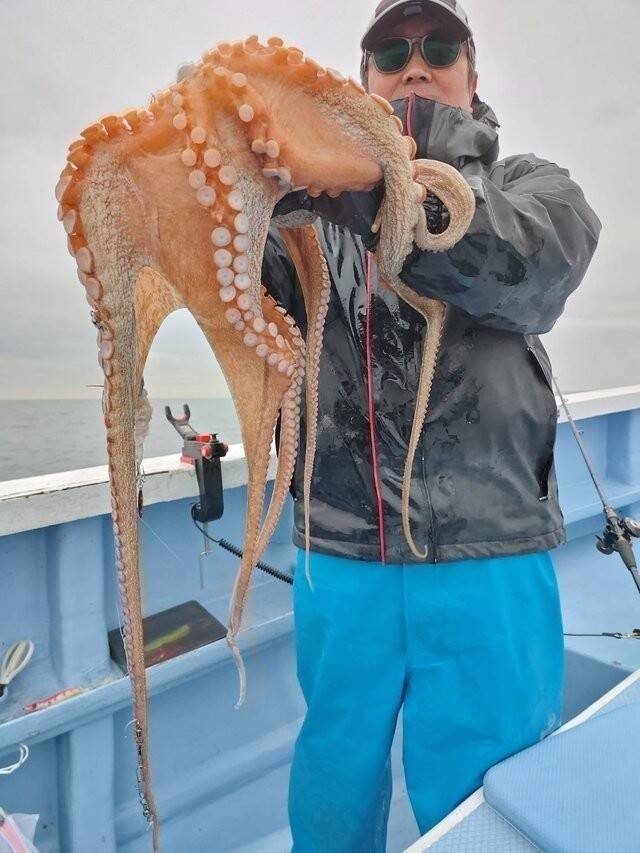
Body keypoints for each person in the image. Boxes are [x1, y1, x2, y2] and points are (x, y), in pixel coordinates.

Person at [265, 1, 602, 850]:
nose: (415, 64)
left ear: (472, 77)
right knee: (333, 779)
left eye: (439, 47)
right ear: (363, 81)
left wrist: (396, 178)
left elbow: (535, 268)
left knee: (490, 801)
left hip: (488, 556)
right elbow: (233, 271)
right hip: (339, 556)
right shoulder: (305, 218)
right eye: (391, 54)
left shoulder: (534, 188)